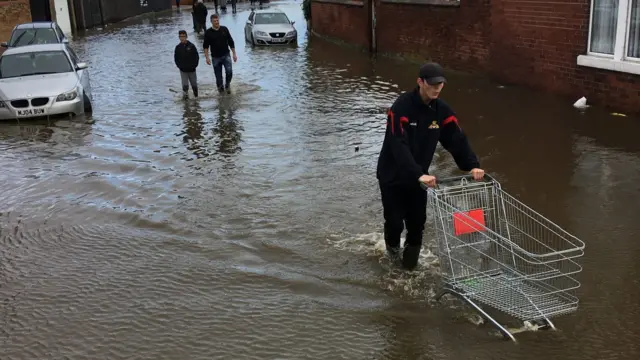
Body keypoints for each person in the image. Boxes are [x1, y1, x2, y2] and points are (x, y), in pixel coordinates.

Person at [376, 62, 485, 271]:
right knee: (395, 222)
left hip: (419, 179)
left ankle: (408, 270)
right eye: (432, 84)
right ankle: (392, 262)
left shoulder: (441, 111)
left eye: (441, 84)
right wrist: (418, 174)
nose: (437, 88)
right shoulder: (401, 107)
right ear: (420, 82)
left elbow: (456, 138)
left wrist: (472, 166)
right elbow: (398, 144)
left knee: (417, 225)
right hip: (393, 176)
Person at [203, 14, 237, 94]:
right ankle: (221, 95)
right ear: (211, 22)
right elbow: (205, 46)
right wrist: (207, 58)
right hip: (215, 58)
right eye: (214, 21)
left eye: (217, 20)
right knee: (218, 79)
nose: (216, 22)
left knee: (229, 72)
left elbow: (231, 42)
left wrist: (234, 54)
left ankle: (227, 85)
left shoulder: (224, 29)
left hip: (226, 55)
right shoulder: (208, 32)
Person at [174, 30, 200, 98]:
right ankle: (186, 100)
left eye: (183, 36)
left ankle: (196, 98)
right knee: (185, 85)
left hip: (192, 69)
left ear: (186, 37)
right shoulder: (178, 47)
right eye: (180, 36)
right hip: (183, 70)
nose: (182, 38)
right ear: (179, 37)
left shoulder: (191, 46)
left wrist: (195, 65)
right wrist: (179, 66)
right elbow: (176, 58)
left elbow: (196, 56)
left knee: (194, 85)